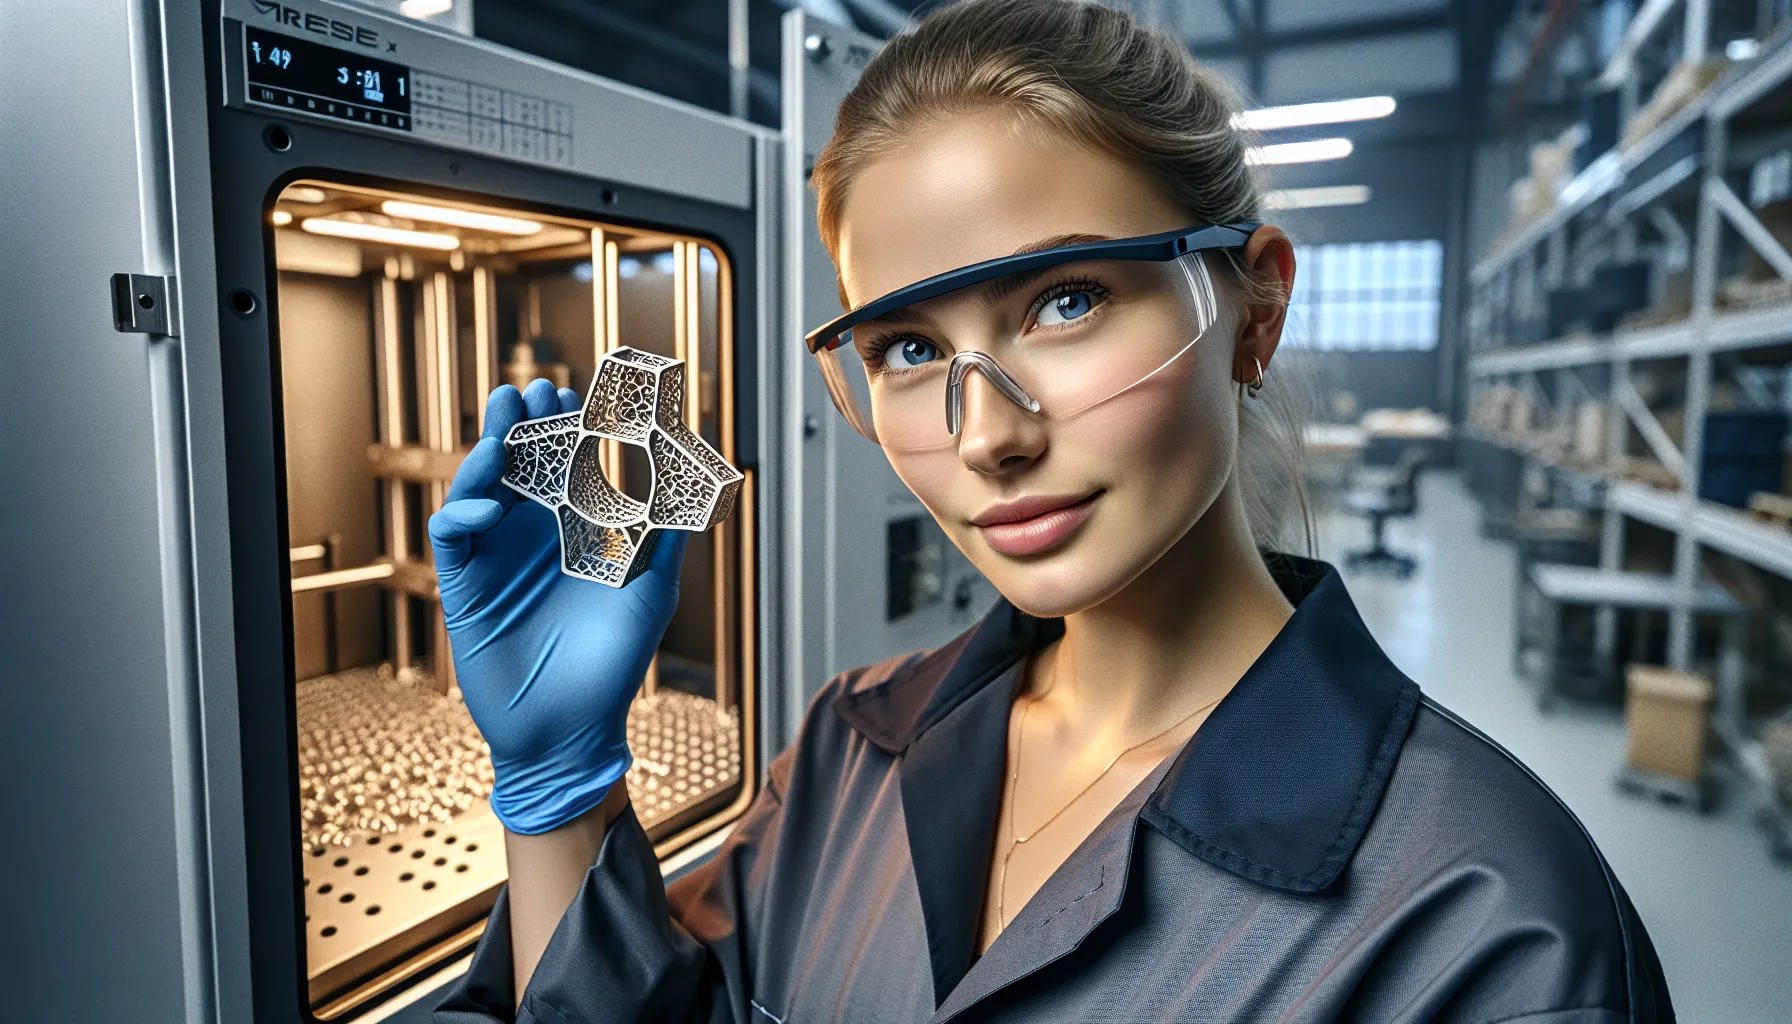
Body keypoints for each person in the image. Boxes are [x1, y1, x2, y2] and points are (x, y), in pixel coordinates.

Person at [434, 1, 1673, 1020]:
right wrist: (558, 789)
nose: (988, 436)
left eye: (1067, 300)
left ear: (1252, 307)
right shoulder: (848, 751)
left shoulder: (1492, 926)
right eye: (909, 348)